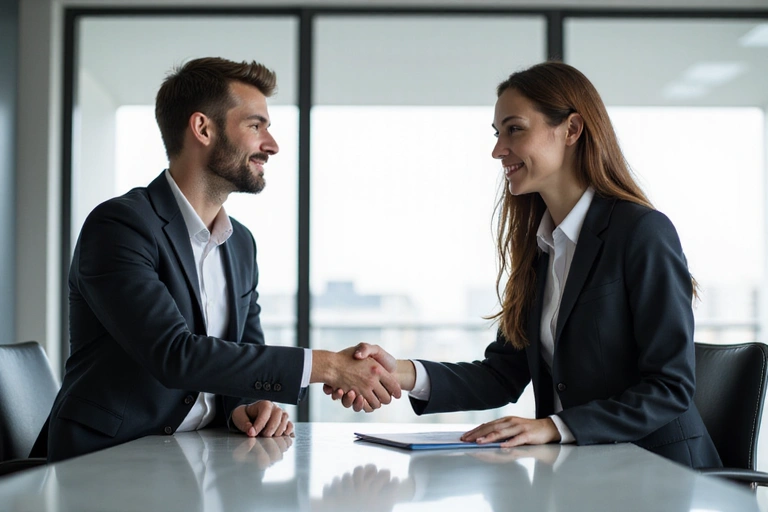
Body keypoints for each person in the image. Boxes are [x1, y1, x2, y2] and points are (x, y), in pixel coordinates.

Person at [329, 61, 722, 469]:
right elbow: (501, 375)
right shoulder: (542, 247)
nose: (498, 149)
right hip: (585, 472)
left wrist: (554, 426)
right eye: (497, 134)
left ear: (571, 129)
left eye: (514, 129)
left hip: (663, 473)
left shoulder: (641, 232)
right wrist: (398, 372)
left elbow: (670, 387)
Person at [31, 57, 400, 462]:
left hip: (199, 454)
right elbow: (174, 354)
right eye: (256, 126)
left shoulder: (240, 243)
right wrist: (327, 366)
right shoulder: (120, 226)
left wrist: (246, 405)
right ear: (203, 129)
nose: (271, 145)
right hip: (104, 459)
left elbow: (245, 350)